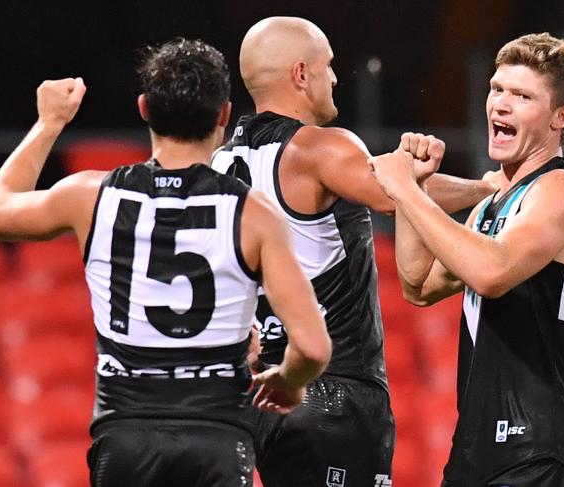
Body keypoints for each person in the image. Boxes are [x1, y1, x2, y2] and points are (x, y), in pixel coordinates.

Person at [0, 38, 332, 486]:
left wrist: (50, 121)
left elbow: (2, 208)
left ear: (144, 109)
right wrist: (290, 379)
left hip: (126, 439)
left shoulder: (91, 196)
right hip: (216, 441)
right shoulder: (254, 212)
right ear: (225, 115)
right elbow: (312, 348)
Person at [211, 16, 498, 486]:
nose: (336, 78)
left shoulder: (220, 162)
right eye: (328, 65)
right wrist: (487, 188)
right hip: (334, 392)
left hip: (263, 398)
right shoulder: (320, 149)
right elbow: (400, 194)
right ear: (301, 74)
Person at [369, 33, 564, 486]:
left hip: (539, 449)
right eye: (497, 89)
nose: (500, 104)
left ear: (562, 116)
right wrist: (414, 188)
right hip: (477, 446)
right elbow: (418, 286)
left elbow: (492, 272)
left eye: (522, 96)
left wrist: (402, 190)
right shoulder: (491, 206)